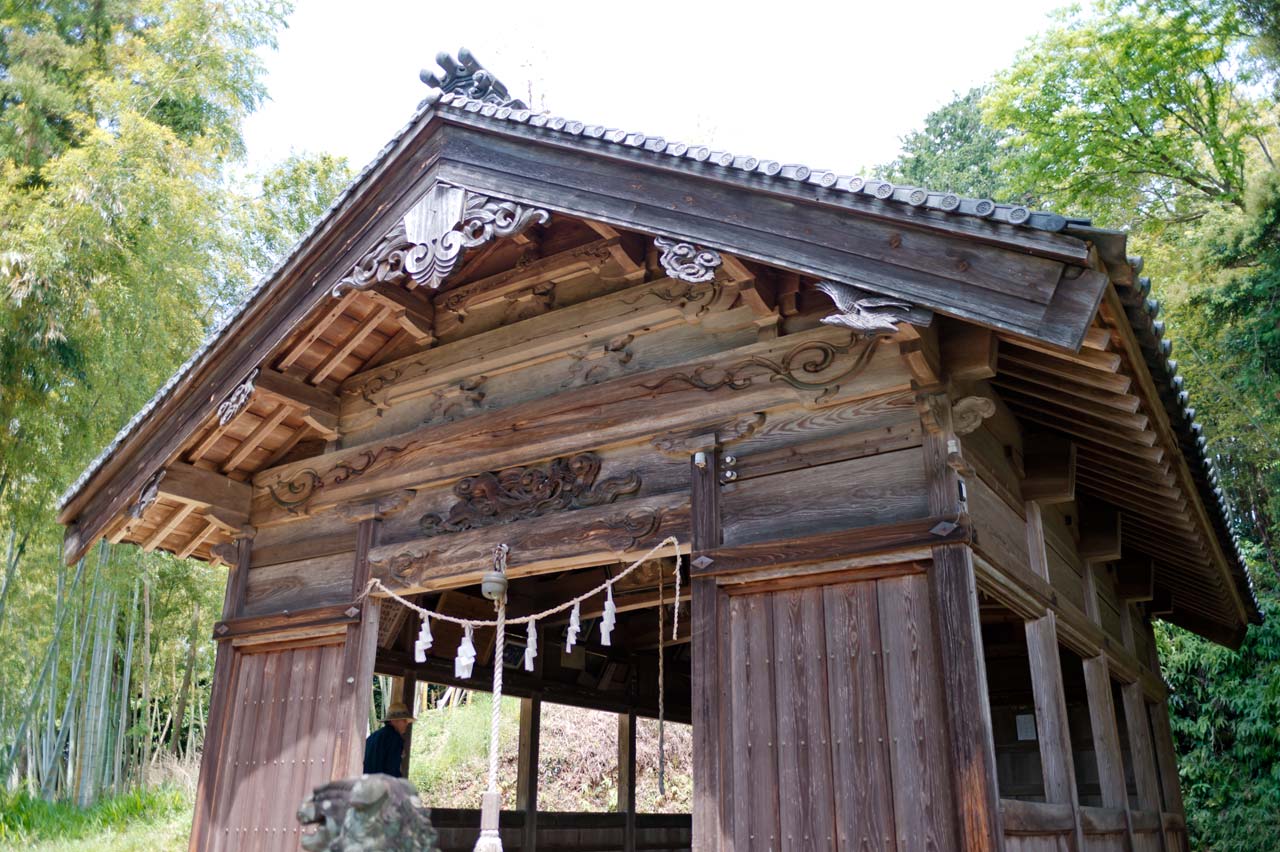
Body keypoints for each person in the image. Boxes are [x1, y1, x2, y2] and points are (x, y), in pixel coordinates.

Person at [363, 701, 414, 777]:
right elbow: (392, 771)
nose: (407, 723)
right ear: (394, 721)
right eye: (404, 720)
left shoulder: (373, 737)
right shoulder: (394, 738)